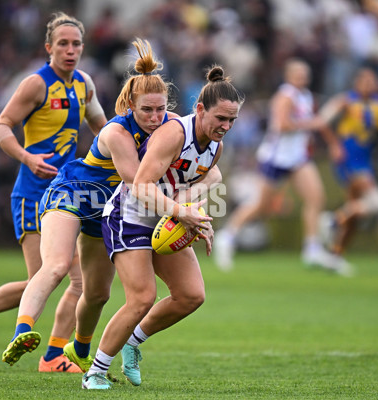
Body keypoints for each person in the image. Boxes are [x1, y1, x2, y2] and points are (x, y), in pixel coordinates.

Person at [0, 38, 182, 368]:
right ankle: (22, 332)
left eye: (161, 109)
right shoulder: (117, 133)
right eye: (147, 110)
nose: (155, 117)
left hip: (107, 211)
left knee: (98, 294)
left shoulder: (170, 127)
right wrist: (181, 210)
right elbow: (137, 183)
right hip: (72, 194)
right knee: (55, 266)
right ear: (129, 106)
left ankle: (79, 351)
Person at [0, 12, 107, 372]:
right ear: (48, 47)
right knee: (44, 278)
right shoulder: (36, 84)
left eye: (76, 44)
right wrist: (26, 156)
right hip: (33, 193)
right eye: (63, 44)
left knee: (80, 281)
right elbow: (0, 127)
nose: (70, 50)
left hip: (67, 194)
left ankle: (53, 355)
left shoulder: (84, 84)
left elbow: (104, 128)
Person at [79, 65, 244, 390]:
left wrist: (197, 217)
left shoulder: (215, 145)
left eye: (232, 121)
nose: (225, 126)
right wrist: (182, 212)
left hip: (163, 217)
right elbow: (140, 184)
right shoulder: (174, 133)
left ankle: (132, 342)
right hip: (128, 215)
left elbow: (201, 181)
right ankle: (95, 372)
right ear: (199, 109)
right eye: (220, 118)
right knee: (142, 297)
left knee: (191, 295)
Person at [213, 58, 350, 275]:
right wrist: (314, 124)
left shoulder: (304, 96)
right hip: (276, 158)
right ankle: (227, 236)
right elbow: (283, 125)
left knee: (316, 198)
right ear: (288, 76)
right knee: (261, 206)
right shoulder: (285, 96)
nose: (302, 78)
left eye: (304, 74)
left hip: (297, 158)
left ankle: (312, 248)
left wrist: (331, 139)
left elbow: (315, 122)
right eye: (297, 74)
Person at [317, 67, 378, 262]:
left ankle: (335, 256)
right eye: (365, 81)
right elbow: (321, 121)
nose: (369, 85)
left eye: (373, 81)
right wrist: (334, 145)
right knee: (377, 202)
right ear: (357, 83)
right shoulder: (345, 100)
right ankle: (332, 220)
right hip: (348, 159)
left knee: (354, 214)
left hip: (364, 161)